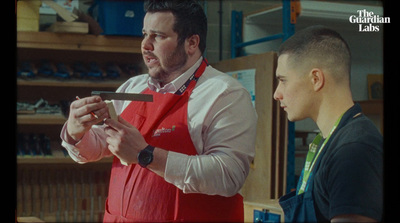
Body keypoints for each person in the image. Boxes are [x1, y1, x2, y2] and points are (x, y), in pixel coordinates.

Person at [60, 0, 257, 222]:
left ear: (191, 43)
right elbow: (101, 144)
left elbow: (228, 176)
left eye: (158, 36)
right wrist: (76, 131)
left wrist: (145, 155)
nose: (145, 45)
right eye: (145, 34)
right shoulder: (133, 87)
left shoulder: (224, 94)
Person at [274, 25, 383, 222]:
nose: (277, 93)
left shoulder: (354, 150)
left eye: (283, 80)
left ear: (316, 79)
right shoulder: (332, 141)